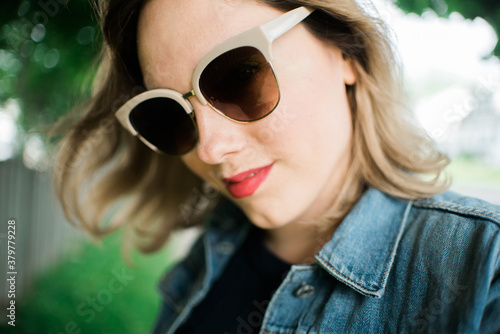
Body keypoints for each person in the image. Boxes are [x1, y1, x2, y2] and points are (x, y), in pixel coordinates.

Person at [52, 0, 500, 333]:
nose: (210, 149)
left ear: (345, 52)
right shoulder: (205, 261)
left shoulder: (483, 268)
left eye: (239, 75)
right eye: (168, 113)